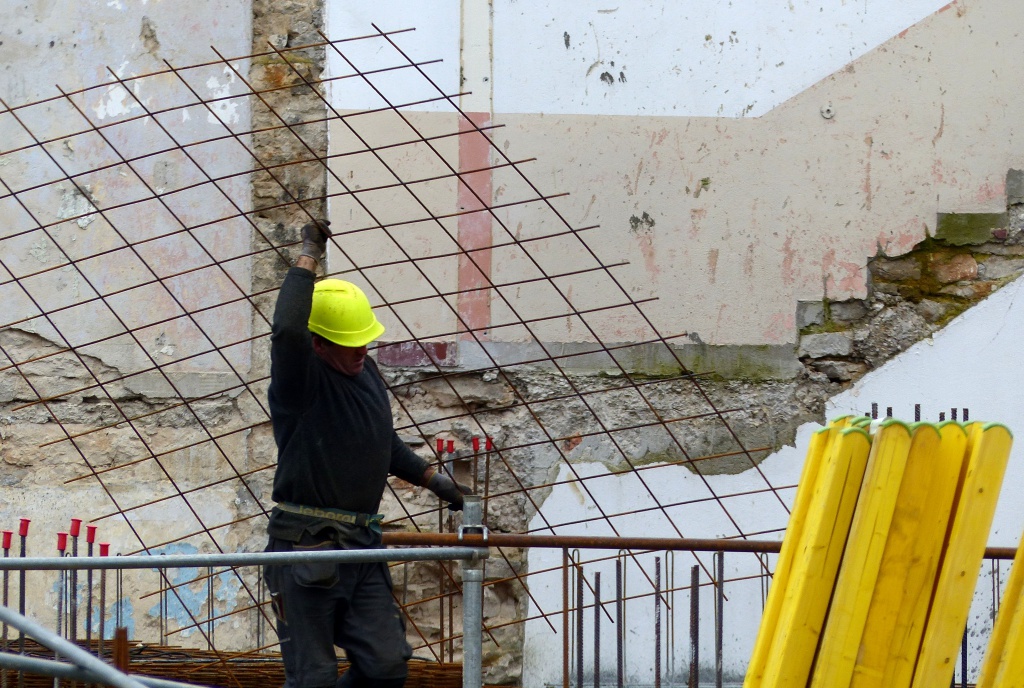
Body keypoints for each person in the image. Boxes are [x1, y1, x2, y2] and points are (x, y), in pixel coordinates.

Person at [264, 219, 472, 688]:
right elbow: (286, 333)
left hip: (360, 546)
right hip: (306, 545)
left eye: (365, 339)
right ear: (318, 344)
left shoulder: (366, 372)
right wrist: (307, 258)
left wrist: (430, 478)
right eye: (349, 342)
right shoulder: (301, 384)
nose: (362, 348)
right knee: (313, 677)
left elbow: (379, 441)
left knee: (385, 666)